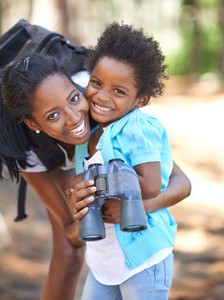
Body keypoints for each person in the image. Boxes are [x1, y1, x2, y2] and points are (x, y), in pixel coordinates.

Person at [0, 53, 191, 300]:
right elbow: (73, 233)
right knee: (68, 254)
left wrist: (137, 207)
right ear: (33, 123)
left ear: (77, 87)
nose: (73, 118)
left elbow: (180, 182)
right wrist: (81, 210)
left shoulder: (101, 104)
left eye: (73, 99)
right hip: (103, 262)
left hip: (144, 258)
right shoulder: (27, 150)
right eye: (53, 115)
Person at [69, 22, 183, 299]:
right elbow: (81, 180)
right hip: (103, 261)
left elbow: (153, 184)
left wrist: (113, 190)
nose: (102, 96)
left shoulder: (136, 128)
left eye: (118, 91)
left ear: (141, 100)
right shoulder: (89, 130)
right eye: (96, 83)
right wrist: (78, 192)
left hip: (143, 259)